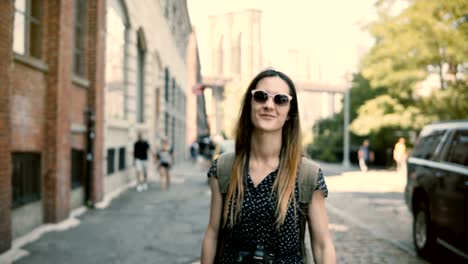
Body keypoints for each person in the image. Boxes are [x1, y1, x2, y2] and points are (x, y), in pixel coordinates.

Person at [201, 69, 336, 263]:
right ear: (250, 104)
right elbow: (212, 234)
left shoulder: (308, 174)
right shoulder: (223, 168)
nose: (268, 105)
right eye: (261, 97)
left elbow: (323, 245)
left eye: (280, 99)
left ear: (290, 112)